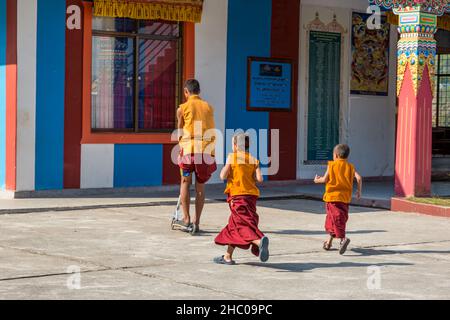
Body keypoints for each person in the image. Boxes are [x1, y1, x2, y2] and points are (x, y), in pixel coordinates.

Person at [214, 134, 269, 265]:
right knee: (235, 226)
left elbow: (222, 175)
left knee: (241, 225)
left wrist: (228, 166)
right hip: (251, 198)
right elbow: (260, 179)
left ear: (234, 145)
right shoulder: (253, 160)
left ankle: (259, 241)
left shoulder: (232, 157)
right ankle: (227, 256)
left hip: (237, 197)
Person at [174, 79, 217, 235]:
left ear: (186, 91)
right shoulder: (208, 107)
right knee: (200, 187)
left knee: (185, 182)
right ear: (199, 91)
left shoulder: (182, 108)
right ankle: (196, 222)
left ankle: (186, 219)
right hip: (205, 152)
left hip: (188, 152)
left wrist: (181, 145)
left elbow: (179, 130)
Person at [314, 144, 363, 255]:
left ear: (335, 155)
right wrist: (359, 192)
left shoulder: (332, 165)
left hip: (333, 198)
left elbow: (324, 179)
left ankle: (342, 239)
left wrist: (316, 180)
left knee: (335, 220)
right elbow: (359, 178)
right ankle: (329, 243)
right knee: (337, 220)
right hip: (345, 199)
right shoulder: (350, 167)